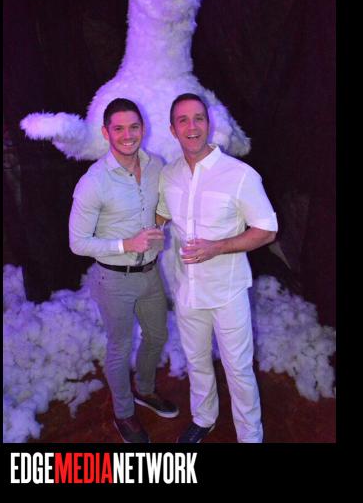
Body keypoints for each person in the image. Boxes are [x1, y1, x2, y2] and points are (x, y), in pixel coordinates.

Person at [156, 93, 278, 443]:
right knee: (196, 361)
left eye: (198, 118)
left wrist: (219, 246)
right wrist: (143, 230)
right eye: (183, 120)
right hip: (187, 290)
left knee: (238, 369)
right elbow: (163, 214)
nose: (192, 126)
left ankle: (250, 436)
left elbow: (267, 230)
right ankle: (204, 418)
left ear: (208, 124)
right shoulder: (169, 175)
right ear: (173, 129)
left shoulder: (239, 175)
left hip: (227, 291)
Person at [69, 97, 178, 443]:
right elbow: (77, 242)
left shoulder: (155, 164)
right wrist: (126, 244)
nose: (127, 135)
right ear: (106, 133)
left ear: (143, 129)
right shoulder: (93, 182)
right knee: (120, 346)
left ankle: (144, 389)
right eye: (119, 128)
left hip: (151, 273)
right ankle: (124, 412)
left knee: (157, 336)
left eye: (133, 127)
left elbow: (162, 200)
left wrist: (160, 219)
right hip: (114, 279)